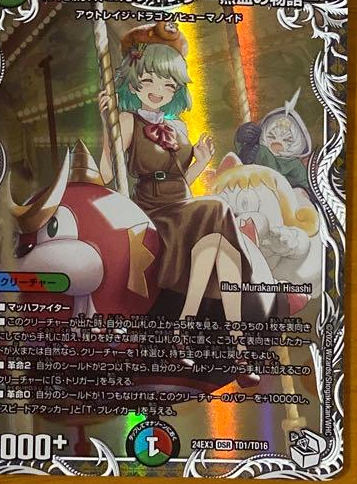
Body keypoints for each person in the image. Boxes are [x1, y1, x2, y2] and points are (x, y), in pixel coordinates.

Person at [98, 21, 268, 382]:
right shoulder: (126, 120)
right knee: (216, 210)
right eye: (149, 81)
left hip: (184, 205)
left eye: (167, 83)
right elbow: (105, 174)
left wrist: (201, 163)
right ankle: (227, 346)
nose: (157, 90)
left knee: (218, 248)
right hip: (154, 211)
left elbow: (182, 184)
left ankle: (210, 341)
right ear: (134, 81)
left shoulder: (179, 127)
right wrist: (104, 125)